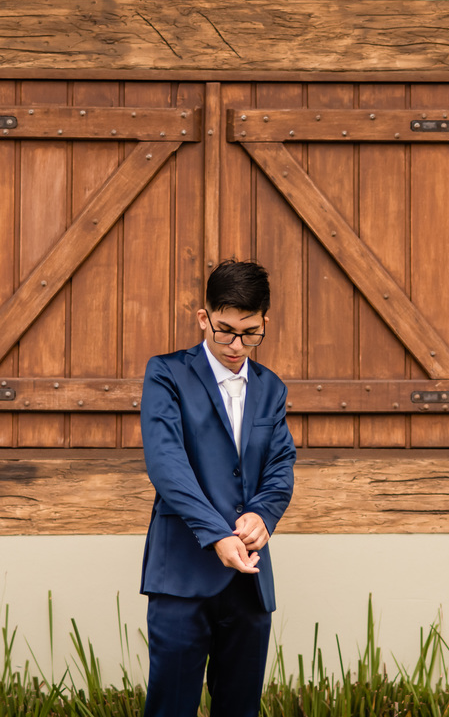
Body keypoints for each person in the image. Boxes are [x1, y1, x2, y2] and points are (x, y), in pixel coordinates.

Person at [139, 259, 297, 717]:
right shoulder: (166, 373)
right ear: (203, 317)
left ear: (264, 322)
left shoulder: (272, 388)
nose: (236, 345)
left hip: (249, 581)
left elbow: (281, 463)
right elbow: (167, 465)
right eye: (224, 330)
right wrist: (218, 534)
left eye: (250, 333)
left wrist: (263, 515)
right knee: (171, 708)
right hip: (182, 574)